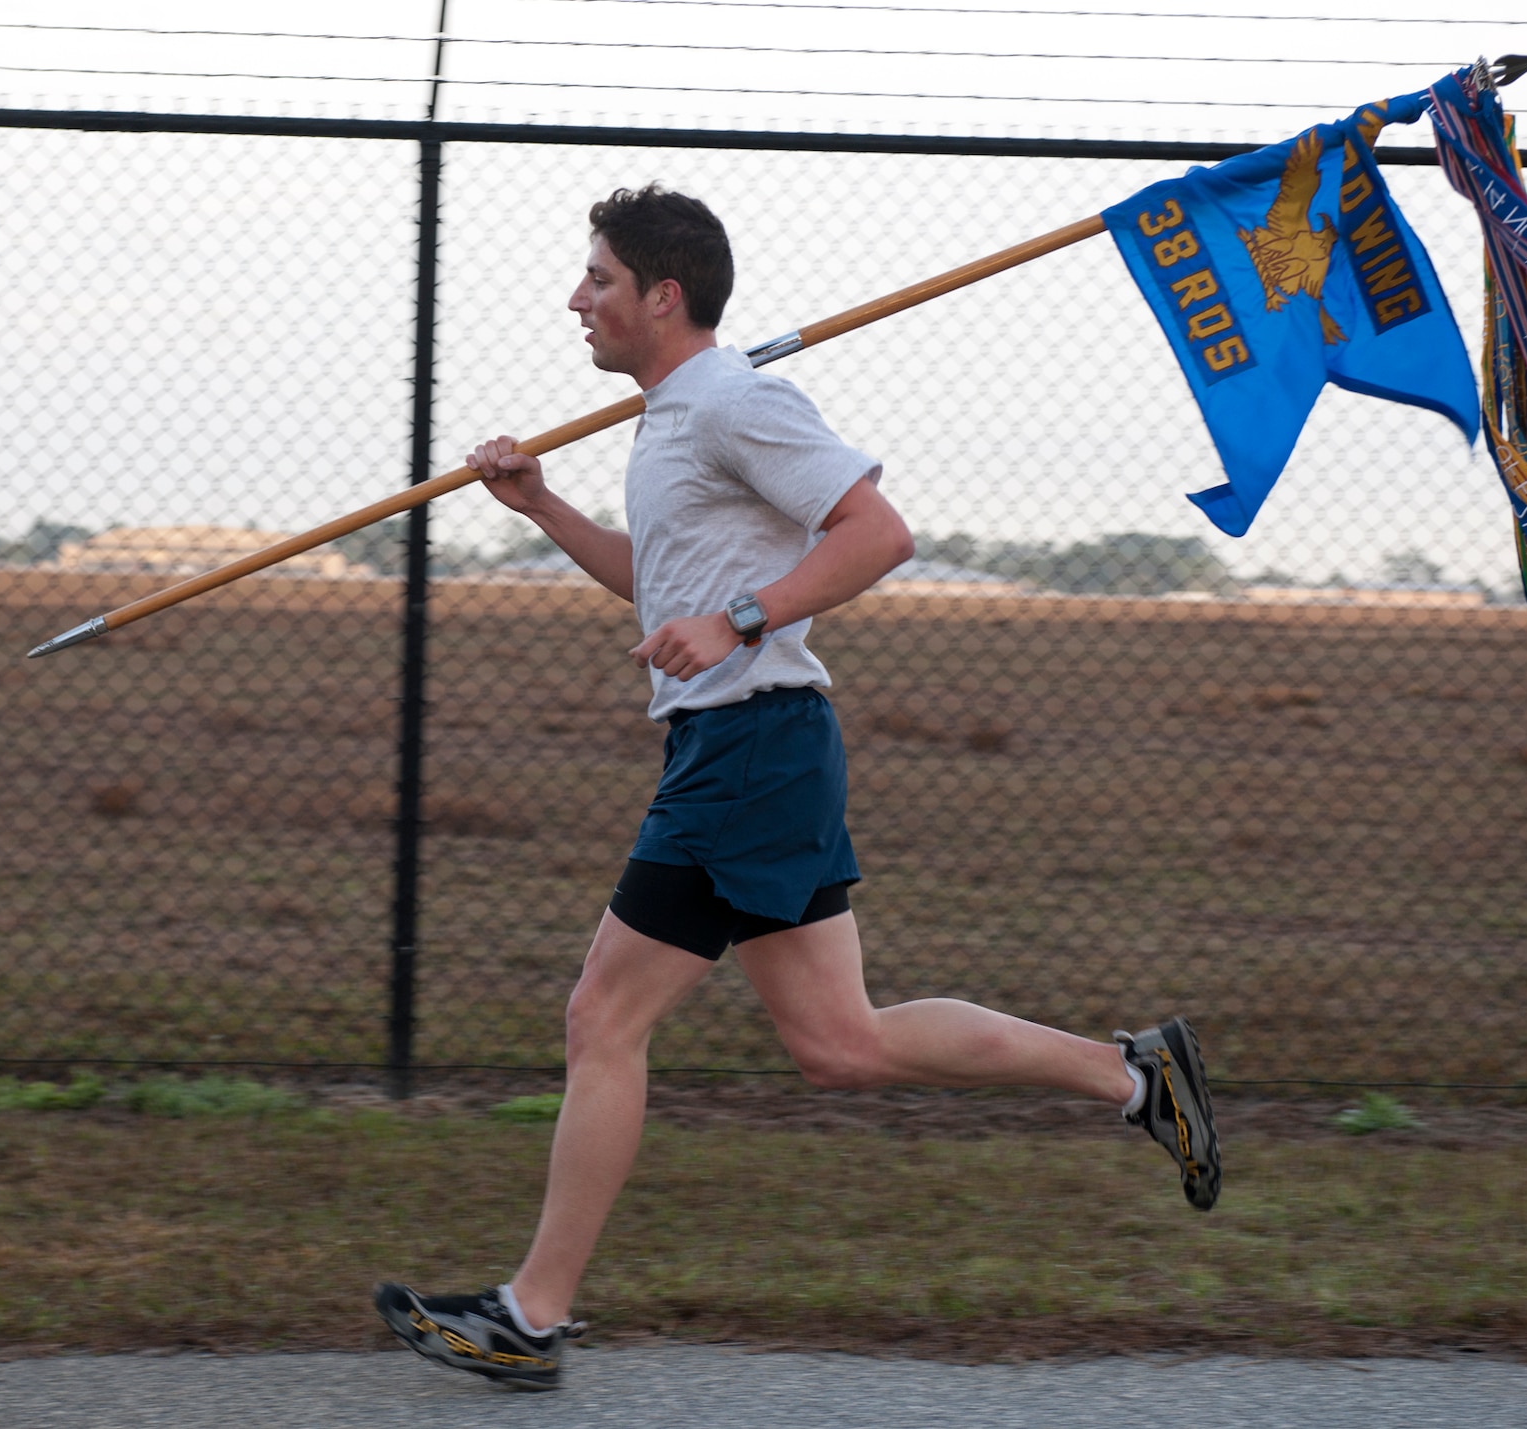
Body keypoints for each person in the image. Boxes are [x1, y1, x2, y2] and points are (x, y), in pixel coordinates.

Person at [375, 184, 1219, 1392]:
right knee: (840, 1044)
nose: (578, 299)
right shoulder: (668, 421)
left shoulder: (733, 400)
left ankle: (532, 1315)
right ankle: (1133, 1074)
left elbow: (876, 531)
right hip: (748, 745)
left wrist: (739, 619)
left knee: (599, 1019)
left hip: (747, 746)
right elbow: (658, 584)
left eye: (599, 279)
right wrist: (543, 503)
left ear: (663, 296)